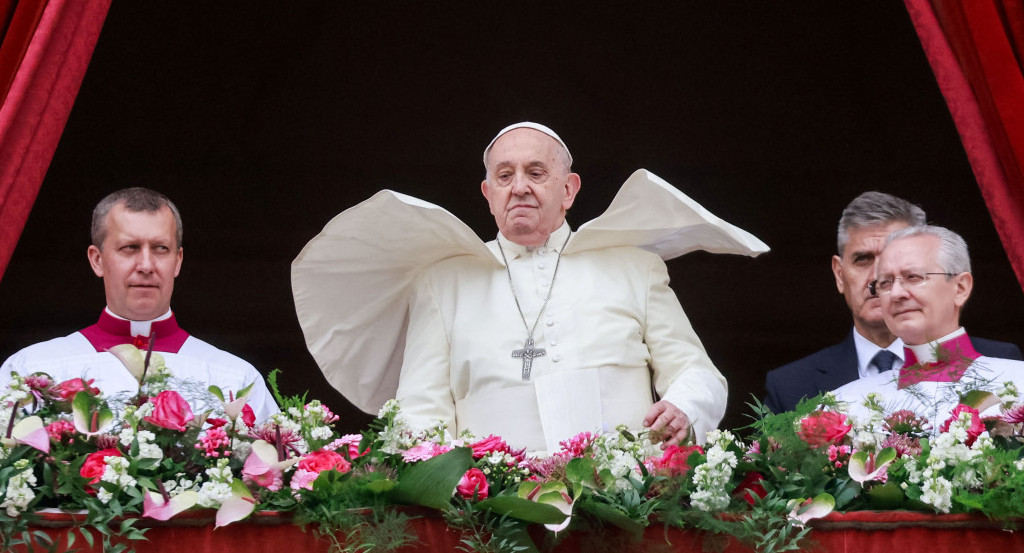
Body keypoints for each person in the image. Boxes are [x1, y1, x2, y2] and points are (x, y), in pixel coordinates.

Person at [391, 122, 736, 454]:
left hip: (626, 500)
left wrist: (683, 408)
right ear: (489, 194)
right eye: (505, 176)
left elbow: (697, 372)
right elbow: (419, 410)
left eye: (536, 173)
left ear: (568, 189)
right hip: (492, 508)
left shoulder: (634, 268)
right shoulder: (442, 284)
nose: (520, 187)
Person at [1, 188, 278, 421]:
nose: (146, 265)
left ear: (177, 260)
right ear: (97, 259)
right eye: (130, 248)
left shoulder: (235, 378)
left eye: (160, 249)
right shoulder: (32, 370)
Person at [763, 193, 1020, 413]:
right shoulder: (836, 398)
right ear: (839, 275)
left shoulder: (1011, 374)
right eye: (864, 260)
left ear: (960, 287)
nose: (882, 282)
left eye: (912, 274)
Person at [833, 225, 1024, 423]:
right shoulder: (847, 406)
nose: (897, 293)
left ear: (960, 288)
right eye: (885, 283)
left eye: (913, 277)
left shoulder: (1018, 385)